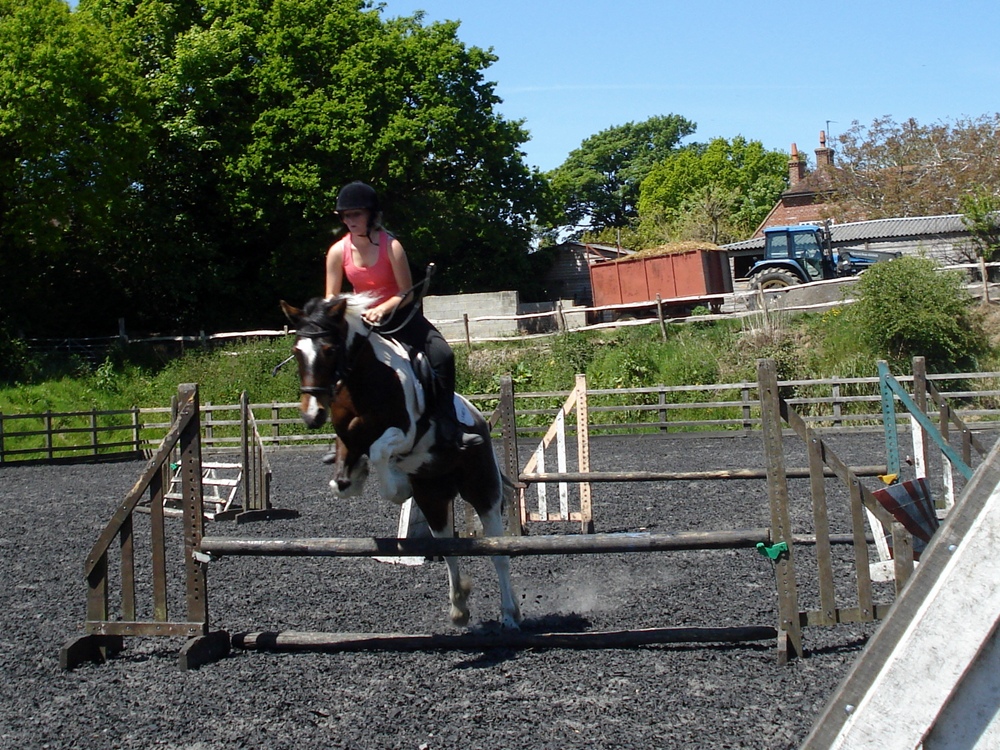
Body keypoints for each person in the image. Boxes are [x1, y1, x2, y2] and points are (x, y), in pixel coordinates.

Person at [325, 181, 482, 451]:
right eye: (346, 216)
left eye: (356, 214)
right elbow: (331, 298)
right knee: (327, 360)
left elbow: (406, 293)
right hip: (363, 323)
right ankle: (342, 435)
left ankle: (448, 423)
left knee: (443, 355)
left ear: (371, 214)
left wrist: (382, 308)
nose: (350, 221)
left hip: (401, 318)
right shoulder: (337, 251)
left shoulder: (392, 246)